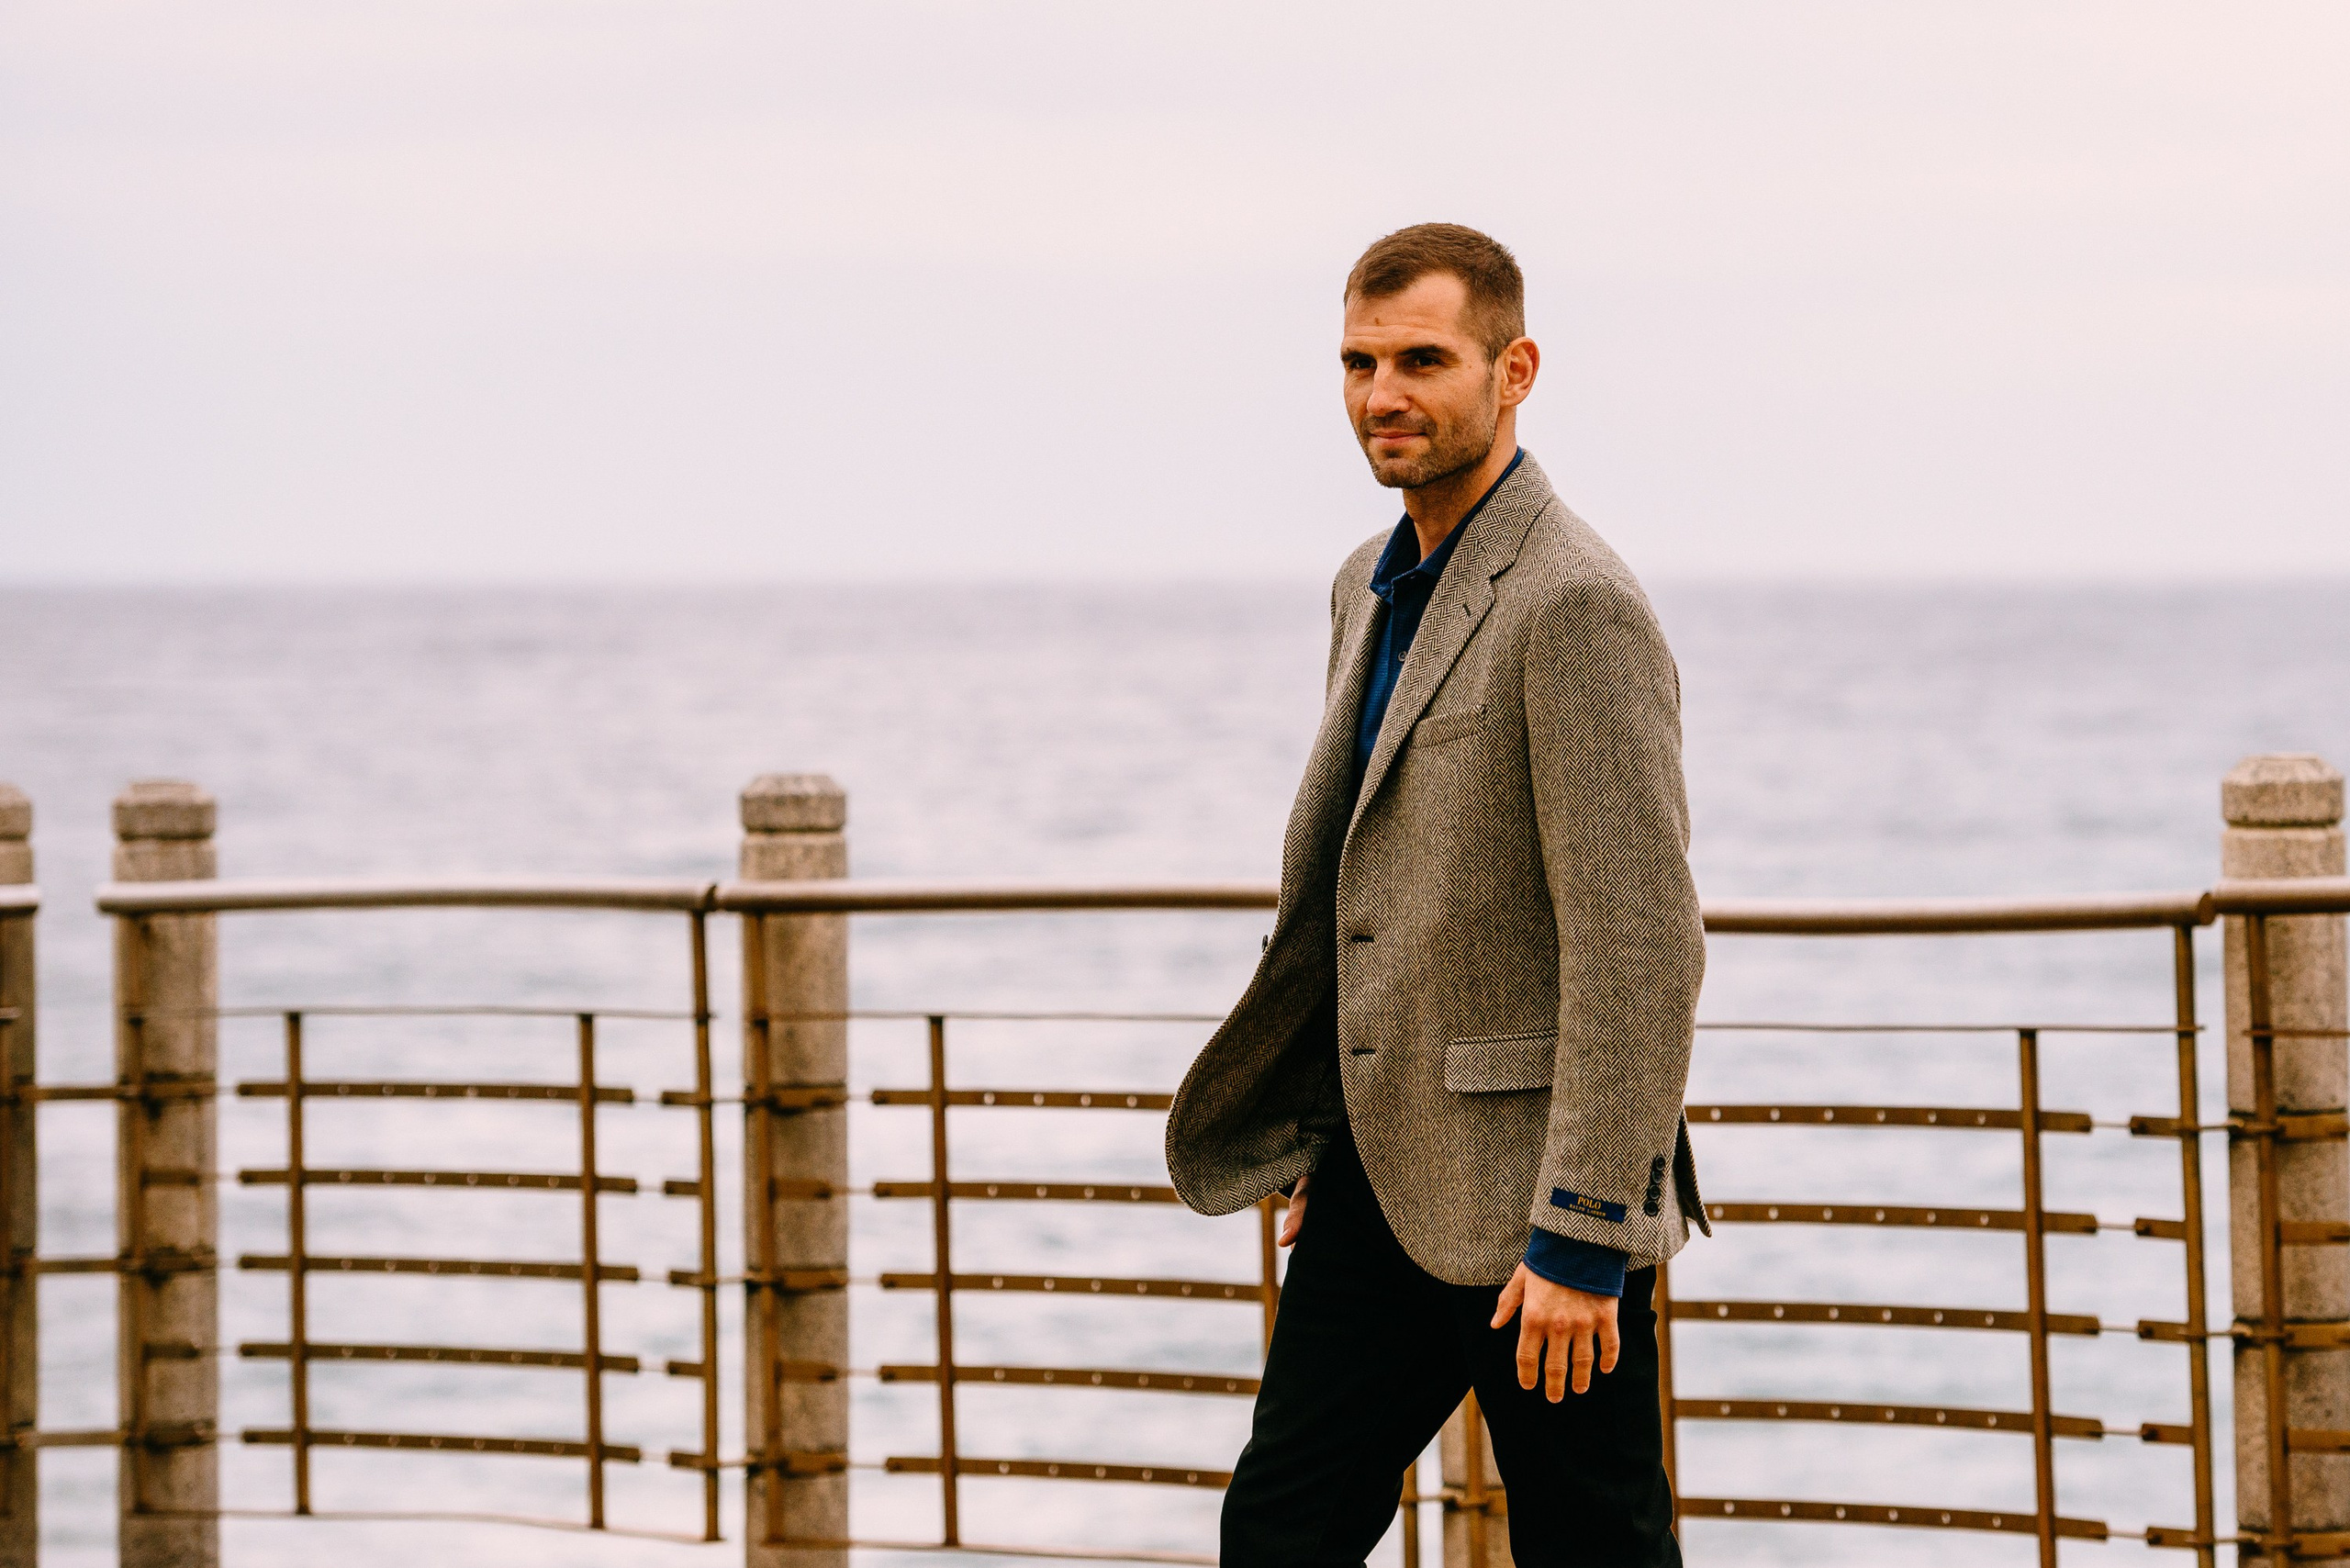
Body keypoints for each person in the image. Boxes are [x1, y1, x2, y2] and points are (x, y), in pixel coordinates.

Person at [1165, 222, 1707, 1567]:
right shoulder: (1366, 583)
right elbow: (1370, 883)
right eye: (1358, 362)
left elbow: (1639, 944)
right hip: (1372, 1177)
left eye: (1422, 360)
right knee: (1282, 1527)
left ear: (1513, 370)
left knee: (1596, 1546)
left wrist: (1585, 1241)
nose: (1380, 396)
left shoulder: (1576, 605)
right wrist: (1318, 1117)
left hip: (1541, 1213)